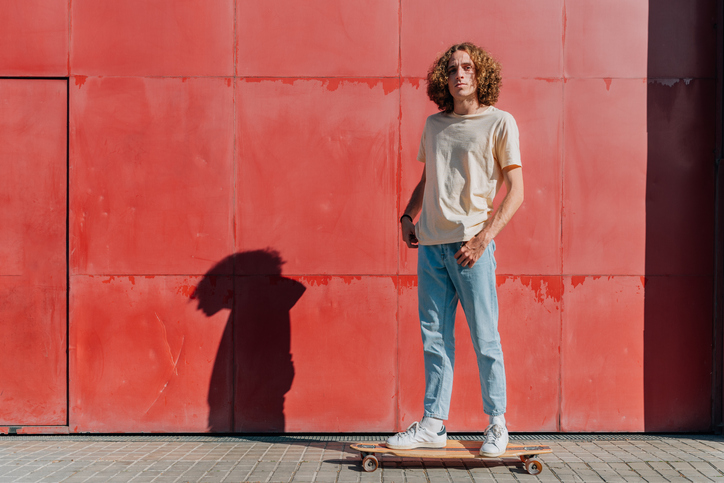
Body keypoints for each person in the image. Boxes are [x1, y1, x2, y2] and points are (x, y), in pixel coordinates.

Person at [387, 42, 524, 457]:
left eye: (467, 67)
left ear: (480, 75)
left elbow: (517, 191)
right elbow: (431, 178)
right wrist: (408, 217)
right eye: (452, 69)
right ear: (443, 80)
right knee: (434, 339)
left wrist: (484, 239)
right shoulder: (434, 125)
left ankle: (497, 424)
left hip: (471, 248)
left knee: (486, 338)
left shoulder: (500, 123)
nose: (459, 74)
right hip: (431, 246)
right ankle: (433, 423)